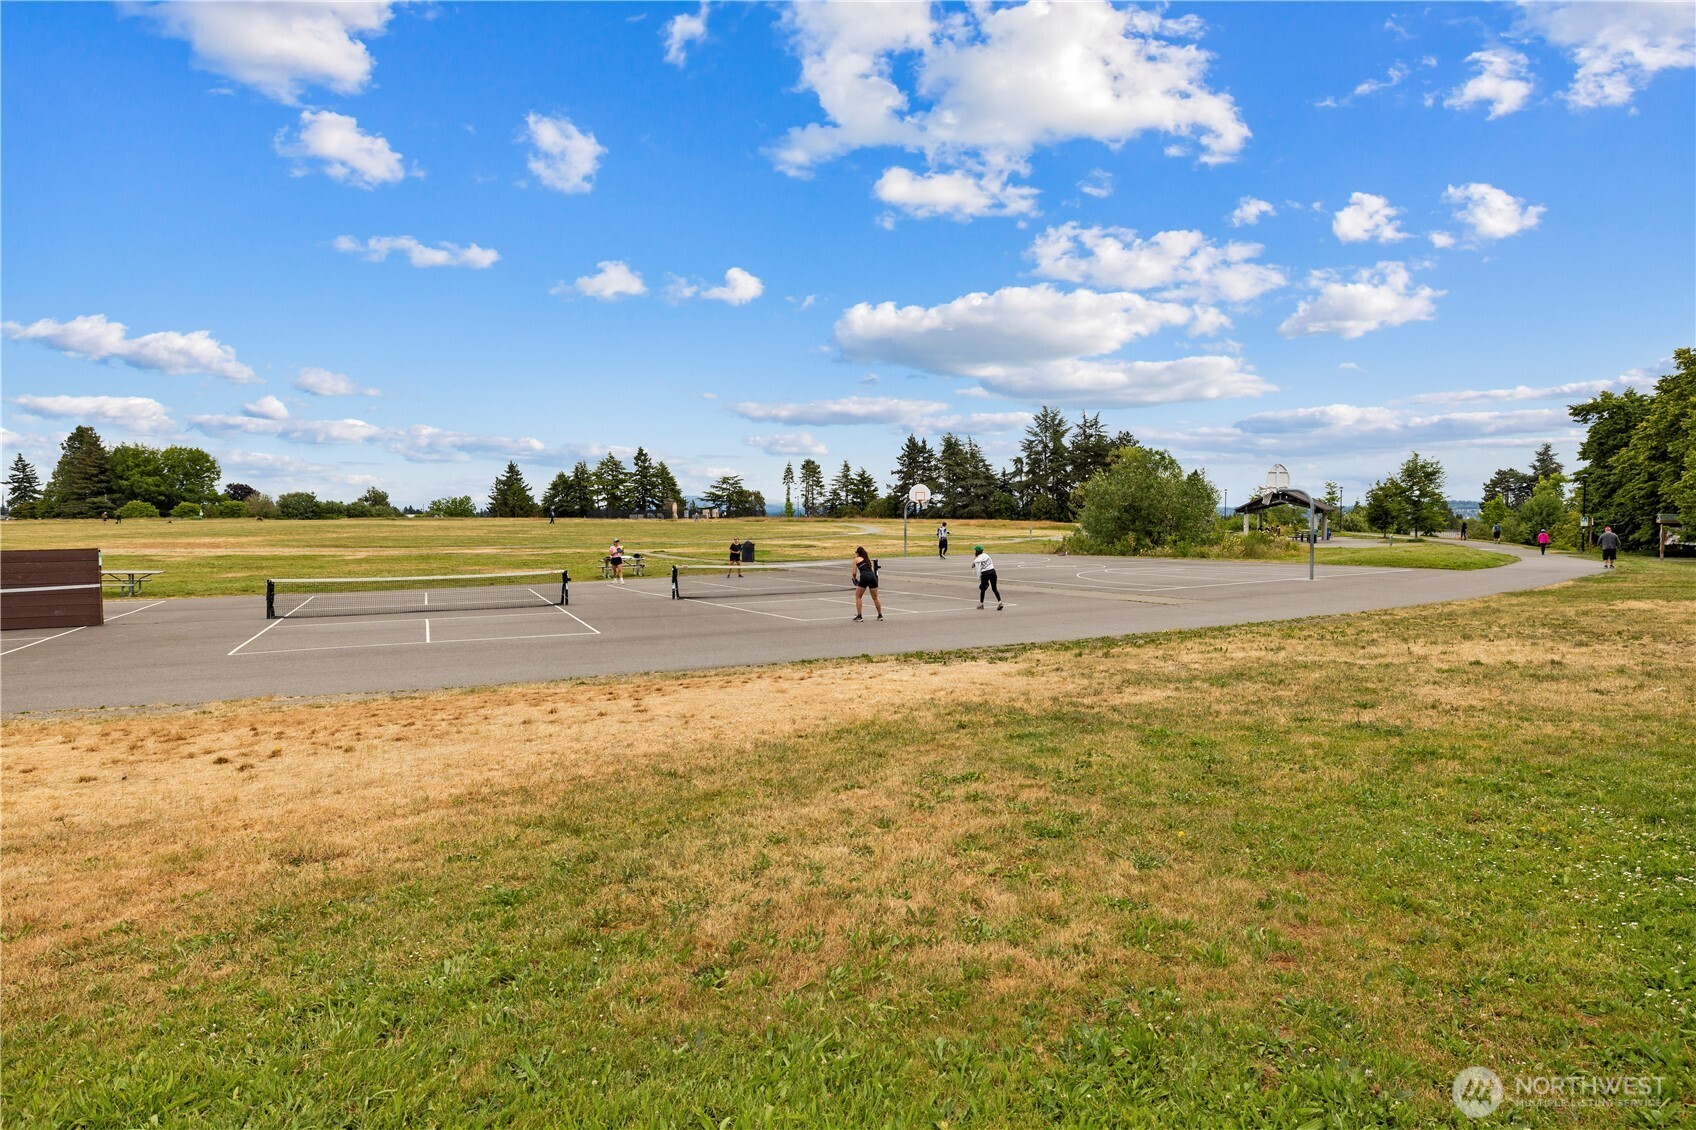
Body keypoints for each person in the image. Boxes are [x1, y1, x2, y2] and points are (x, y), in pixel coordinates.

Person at [851, 545, 882, 622]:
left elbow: (854, 573)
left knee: (858, 596)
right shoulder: (867, 560)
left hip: (864, 577)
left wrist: (854, 578)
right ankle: (880, 615)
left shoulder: (856, 559)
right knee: (875, 597)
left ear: (857, 553)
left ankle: (859, 616)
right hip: (872, 577)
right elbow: (871, 570)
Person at [971, 544, 1002, 611]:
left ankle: (981, 604)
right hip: (992, 571)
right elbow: (991, 562)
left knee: (982, 589)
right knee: (994, 588)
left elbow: (978, 570)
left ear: (977, 551)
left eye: (975, 550)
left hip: (985, 573)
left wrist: (980, 578)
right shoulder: (986, 555)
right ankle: (1000, 602)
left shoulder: (976, 560)